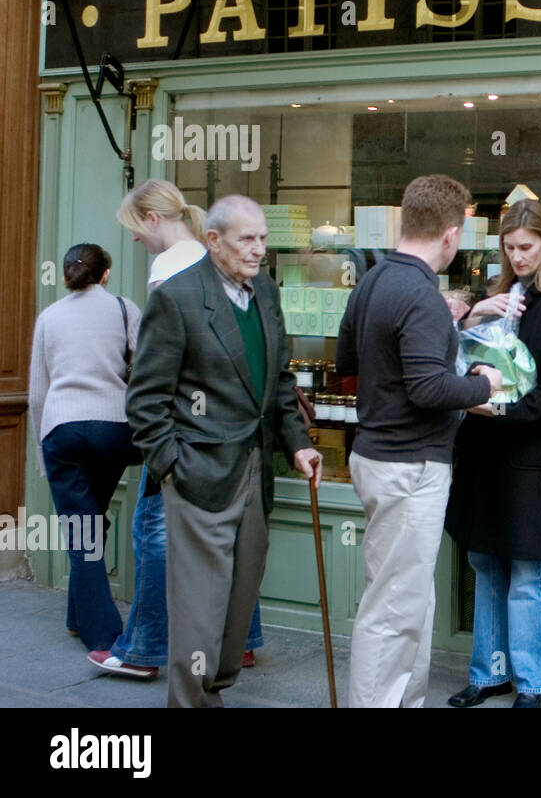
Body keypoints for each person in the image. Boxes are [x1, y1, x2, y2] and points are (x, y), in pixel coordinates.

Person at [127, 194, 322, 707]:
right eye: (247, 239)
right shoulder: (178, 298)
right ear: (213, 241)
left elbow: (279, 383)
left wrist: (297, 446)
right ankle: (189, 701)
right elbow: (146, 399)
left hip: (255, 472)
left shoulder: (267, 295)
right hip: (198, 475)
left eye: (262, 238)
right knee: (198, 609)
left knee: (238, 605)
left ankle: (213, 691)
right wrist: (171, 466)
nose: (259, 250)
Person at [334, 175, 502, 708]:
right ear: (451, 235)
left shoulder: (372, 282)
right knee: (393, 610)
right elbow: (430, 388)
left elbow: (347, 369)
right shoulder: (422, 295)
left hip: (378, 456)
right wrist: (484, 384)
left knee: (408, 602)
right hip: (410, 466)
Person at [91, 180, 264, 680]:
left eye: (134, 230)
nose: (134, 240)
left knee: (152, 533)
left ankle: (143, 649)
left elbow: (161, 361)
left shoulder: (169, 268)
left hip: (184, 427)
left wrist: (160, 445)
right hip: (227, 425)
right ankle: (242, 641)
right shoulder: (212, 260)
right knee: (229, 536)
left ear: (151, 219)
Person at [445, 199, 541, 708]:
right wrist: (476, 312)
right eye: (509, 247)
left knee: (526, 569)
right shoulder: (496, 294)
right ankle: (487, 675)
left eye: (526, 247)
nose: (518, 256)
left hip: (527, 453)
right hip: (481, 449)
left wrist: (506, 413)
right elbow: (459, 357)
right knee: (484, 563)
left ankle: (531, 684)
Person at [28, 244, 141, 656]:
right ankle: (78, 618)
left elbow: (38, 395)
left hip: (63, 429)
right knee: (92, 522)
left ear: (64, 276)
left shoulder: (49, 318)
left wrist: (44, 451)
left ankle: (103, 635)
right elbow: (146, 370)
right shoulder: (125, 309)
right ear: (106, 274)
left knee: (83, 531)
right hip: (114, 429)